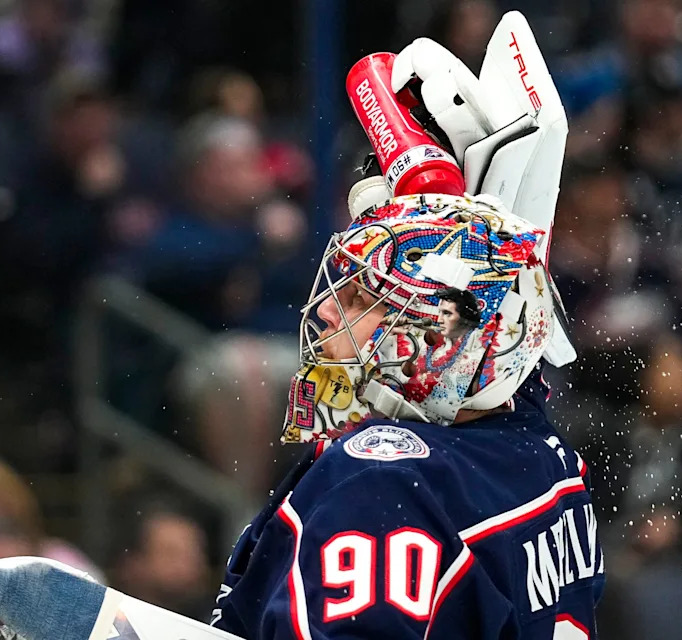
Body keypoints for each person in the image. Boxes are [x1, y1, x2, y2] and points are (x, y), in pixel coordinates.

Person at [209, 193, 604, 639]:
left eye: (359, 297)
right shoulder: (548, 454)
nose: (325, 308)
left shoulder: (381, 481)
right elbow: (496, 335)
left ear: (435, 346)